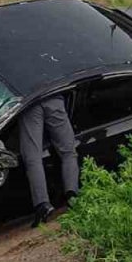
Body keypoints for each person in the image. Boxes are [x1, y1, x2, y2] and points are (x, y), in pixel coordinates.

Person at [18, 96, 79, 226]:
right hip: (53, 96)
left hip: (30, 102)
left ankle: (43, 204)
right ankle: (72, 195)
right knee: (68, 152)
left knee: (33, 157)